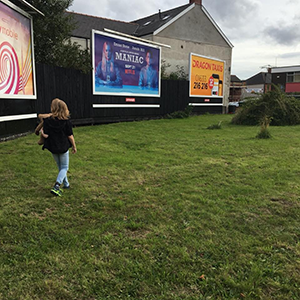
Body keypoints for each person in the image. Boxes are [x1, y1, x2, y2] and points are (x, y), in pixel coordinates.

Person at [41, 98, 77, 197]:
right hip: (63, 147)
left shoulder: (47, 121)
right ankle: (57, 186)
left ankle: (66, 184)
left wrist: (42, 134)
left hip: (53, 147)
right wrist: (74, 146)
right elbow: (70, 135)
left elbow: (46, 135)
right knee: (65, 167)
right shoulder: (66, 122)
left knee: (60, 167)